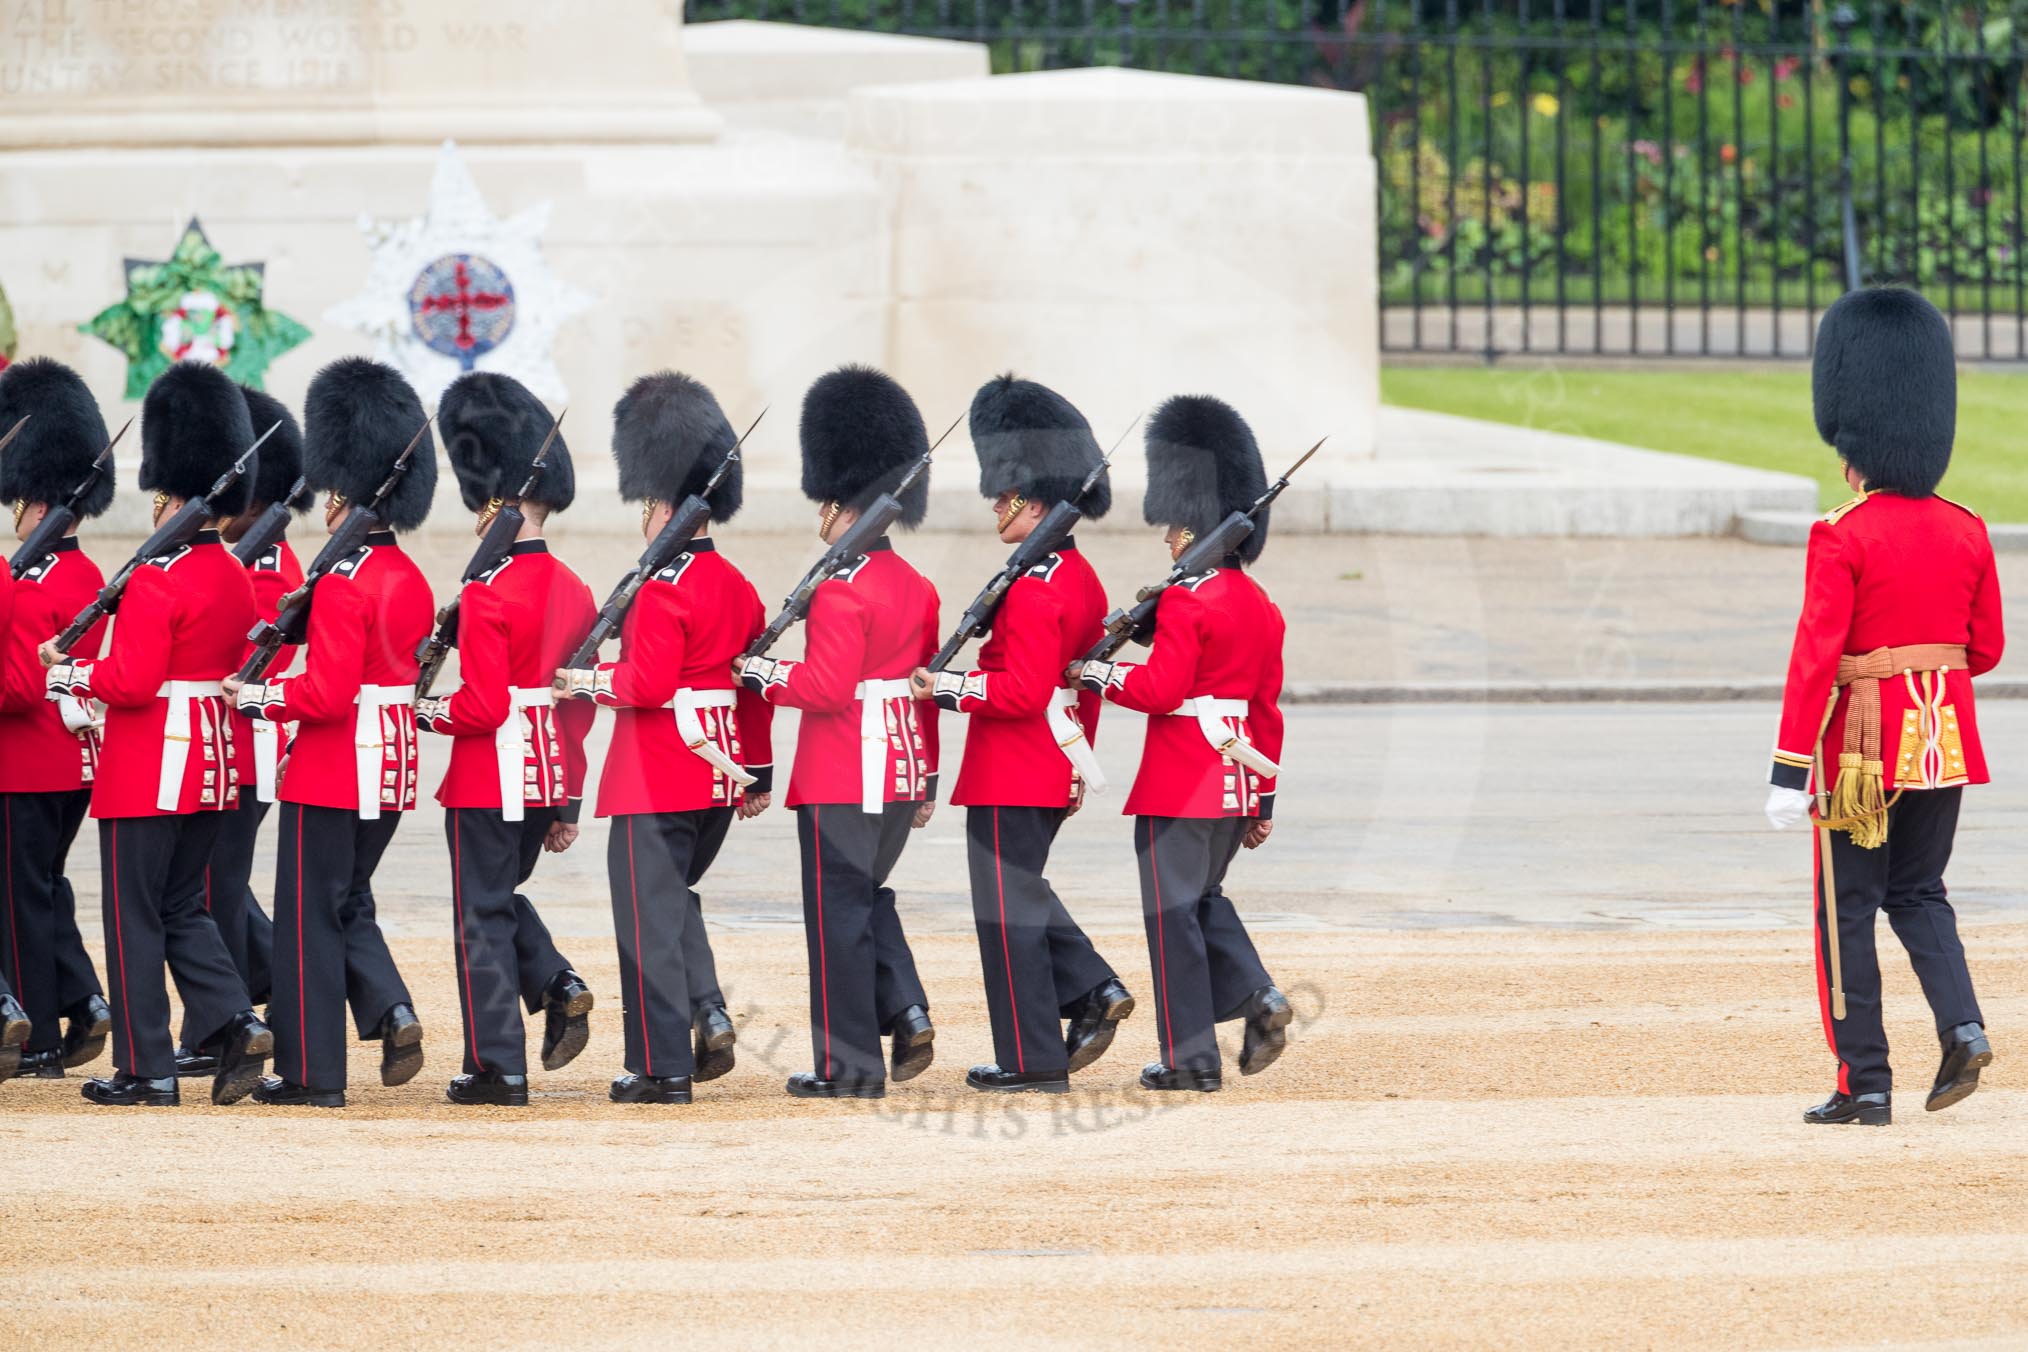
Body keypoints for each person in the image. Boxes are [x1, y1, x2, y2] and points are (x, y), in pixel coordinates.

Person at [1764, 286, 2000, 1127]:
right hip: (1945, 738)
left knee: (1848, 909)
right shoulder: (1968, 527)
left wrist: (1790, 769)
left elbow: (1815, 656)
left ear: (1851, 440)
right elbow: (1987, 649)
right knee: (1923, 891)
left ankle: (1864, 1081)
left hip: (1861, 751)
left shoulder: (1843, 531)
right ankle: (1963, 1025)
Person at [41, 360, 273, 1107]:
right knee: (184, 906)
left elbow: (131, 683)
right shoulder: (232, 572)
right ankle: (235, 1020)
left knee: (133, 915)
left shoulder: (155, 578)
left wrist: (66, 674)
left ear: (168, 494)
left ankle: (147, 1069)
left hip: (151, 763)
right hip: (213, 758)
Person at [909, 374, 1134, 1093]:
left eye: (1003, 499)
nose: (995, 510)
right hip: (1047, 761)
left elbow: (1024, 690)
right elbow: (1079, 683)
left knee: (1004, 912)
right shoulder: (1076, 574)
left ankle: (1036, 1052)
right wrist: (1076, 765)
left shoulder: (1037, 587)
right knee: (1018, 897)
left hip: (1014, 763)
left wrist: (943, 686)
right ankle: (1080, 1002)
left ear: (1030, 501)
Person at [556, 371, 773, 1104]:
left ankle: (661, 1067)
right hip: (716, 775)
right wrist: (756, 773)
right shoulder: (739, 585)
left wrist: (582, 682)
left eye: (646, 502)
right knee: (674, 899)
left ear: (660, 504)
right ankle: (706, 1007)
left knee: (646, 922)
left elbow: (645, 686)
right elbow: (749, 689)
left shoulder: (660, 588)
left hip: (655, 773)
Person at [230, 358, 440, 1107]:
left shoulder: (347, 584)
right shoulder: (409, 577)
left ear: (342, 493)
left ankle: (312, 1073)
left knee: (306, 917)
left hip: (333, 766)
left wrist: (257, 698)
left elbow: (325, 694)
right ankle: (385, 1010)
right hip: (389, 766)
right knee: (345, 902)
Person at [1071, 394, 1292, 1093]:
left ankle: (1189, 1058)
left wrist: (1096, 670)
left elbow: (1161, 691)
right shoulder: (1260, 604)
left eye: (1175, 526)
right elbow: (1266, 712)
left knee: (1172, 920)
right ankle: (1256, 994)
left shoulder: (1192, 600)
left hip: (1182, 777)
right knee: (1204, 901)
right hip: (1235, 779)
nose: (1168, 536)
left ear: (1195, 526)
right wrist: (1263, 799)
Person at [736, 365, 940, 1099]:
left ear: (834, 506)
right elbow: (923, 692)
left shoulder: (838, 590)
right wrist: (929, 779)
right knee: (863, 905)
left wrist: (760, 675)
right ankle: (897, 1011)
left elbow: (822, 689)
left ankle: (848, 1066)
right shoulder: (917, 586)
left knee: (836, 925)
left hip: (839, 773)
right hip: (900, 770)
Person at [416, 371, 597, 1107]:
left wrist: (421, 714)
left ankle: (497, 1066)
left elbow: (483, 707)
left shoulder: (488, 594)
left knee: (480, 917)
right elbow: (576, 708)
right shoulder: (579, 588)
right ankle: (555, 978)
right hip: (547, 772)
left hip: (489, 774)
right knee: (499, 897)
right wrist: (568, 801)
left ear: (492, 505)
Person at [171, 382, 308, 1076]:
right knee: (218, 888)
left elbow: (238, 655)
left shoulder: (261, 562)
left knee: (211, 892)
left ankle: (215, 1028)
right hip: (232, 743)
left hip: (242, 745)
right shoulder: (252, 555)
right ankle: (274, 995)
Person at [0, 357, 115, 1078]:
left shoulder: (22, 580)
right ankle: (85, 999)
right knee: (45, 889)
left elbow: (17, 689)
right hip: (76, 765)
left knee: (19, 903)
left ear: (36, 501)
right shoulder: (88, 575)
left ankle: (38, 1037)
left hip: (24, 763)